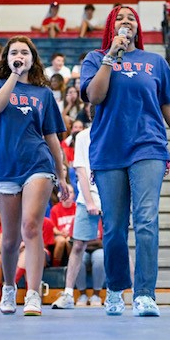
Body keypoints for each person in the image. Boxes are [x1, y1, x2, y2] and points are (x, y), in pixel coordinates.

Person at [80, 5, 170, 317]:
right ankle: (116, 290)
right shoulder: (95, 58)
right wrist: (110, 58)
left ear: (139, 27)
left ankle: (145, 294)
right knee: (116, 227)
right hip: (108, 150)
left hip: (148, 147)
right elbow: (95, 96)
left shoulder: (155, 62)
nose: (126, 22)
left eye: (131, 18)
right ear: (111, 26)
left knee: (146, 221)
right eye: (120, 18)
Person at [0, 35, 68, 316]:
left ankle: (33, 294)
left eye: (25, 52)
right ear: (8, 59)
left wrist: (63, 174)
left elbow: (52, 137)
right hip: (6, 168)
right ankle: (9, 288)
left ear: (33, 58)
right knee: (9, 237)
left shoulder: (44, 94)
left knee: (30, 226)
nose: (20, 55)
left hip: (38, 164)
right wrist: (14, 76)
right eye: (14, 52)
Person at [52, 125, 105, 309]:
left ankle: (123, 293)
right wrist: (90, 202)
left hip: (112, 197)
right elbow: (81, 171)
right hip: (86, 199)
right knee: (78, 246)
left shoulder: (116, 130)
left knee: (118, 243)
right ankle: (68, 294)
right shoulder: (83, 136)